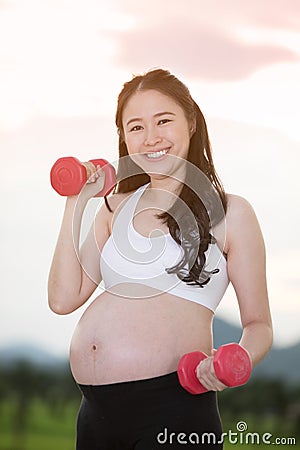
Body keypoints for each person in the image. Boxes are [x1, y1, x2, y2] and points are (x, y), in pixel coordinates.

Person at [48, 68, 273, 449]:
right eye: (135, 127)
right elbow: (62, 299)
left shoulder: (230, 212)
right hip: (94, 415)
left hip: (174, 410)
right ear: (124, 137)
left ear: (191, 121)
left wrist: (237, 359)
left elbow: (259, 325)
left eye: (163, 120)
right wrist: (76, 200)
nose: (150, 137)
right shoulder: (114, 208)